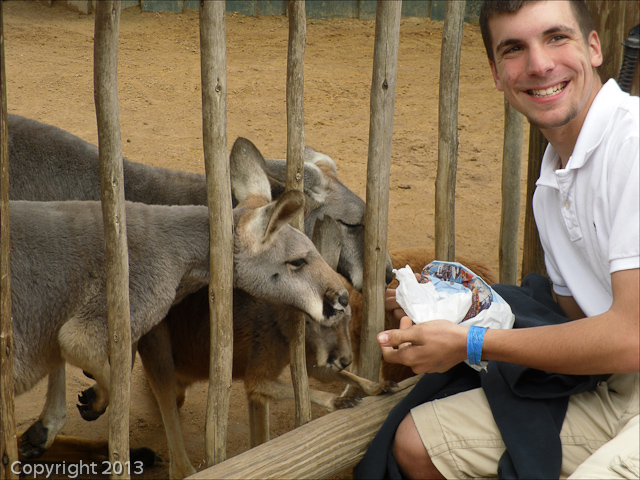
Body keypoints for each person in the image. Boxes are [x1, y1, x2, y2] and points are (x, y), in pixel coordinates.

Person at [363, 1, 639, 479]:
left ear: (594, 47)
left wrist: (472, 342)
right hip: (621, 386)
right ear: (496, 73)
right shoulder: (551, 187)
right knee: (418, 443)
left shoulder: (632, 144)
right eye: (515, 49)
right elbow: (575, 318)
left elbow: (631, 336)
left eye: (557, 37)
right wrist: (461, 305)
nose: (538, 64)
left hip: (630, 362)